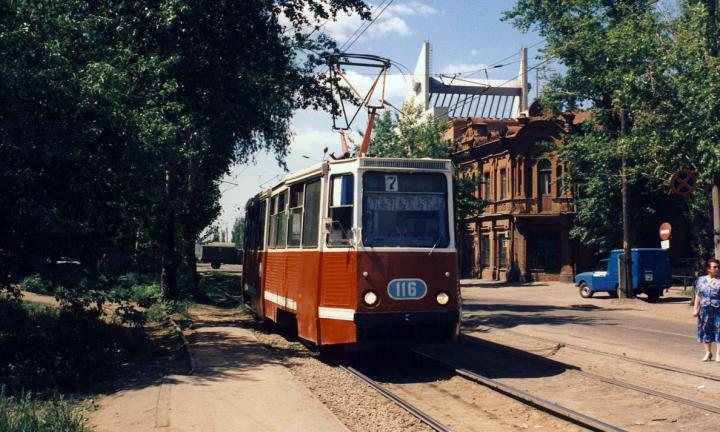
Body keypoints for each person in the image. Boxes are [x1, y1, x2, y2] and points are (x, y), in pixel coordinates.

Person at [692, 258, 720, 362]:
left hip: (718, 310)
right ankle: (708, 353)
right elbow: (698, 295)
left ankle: (718, 354)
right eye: (714, 267)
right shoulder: (701, 280)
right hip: (705, 310)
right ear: (708, 269)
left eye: (718, 267)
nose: (717, 269)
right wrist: (695, 309)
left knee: (719, 330)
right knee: (705, 330)